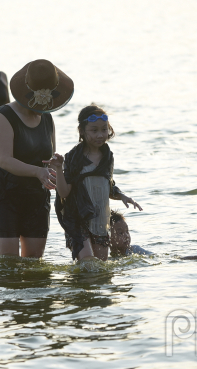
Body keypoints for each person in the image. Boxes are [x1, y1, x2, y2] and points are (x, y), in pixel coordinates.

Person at [0, 59, 74, 258]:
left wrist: (57, 168)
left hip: (36, 195)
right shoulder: (3, 117)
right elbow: (4, 160)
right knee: (8, 261)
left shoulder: (47, 118)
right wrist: (37, 171)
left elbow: (49, 156)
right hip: (5, 194)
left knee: (34, 261)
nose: (45, 106)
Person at [49, 105, 143, 262]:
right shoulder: (74, 157)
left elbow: (107, 185)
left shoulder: (108, 156)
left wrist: (122, 196)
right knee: (88, 263)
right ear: (82, 131)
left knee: (100, 268)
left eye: (104, 129)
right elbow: (64, 193)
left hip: (100, 221)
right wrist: (59, 168)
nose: (100, 135)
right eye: (94, 130)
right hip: (78, 219)